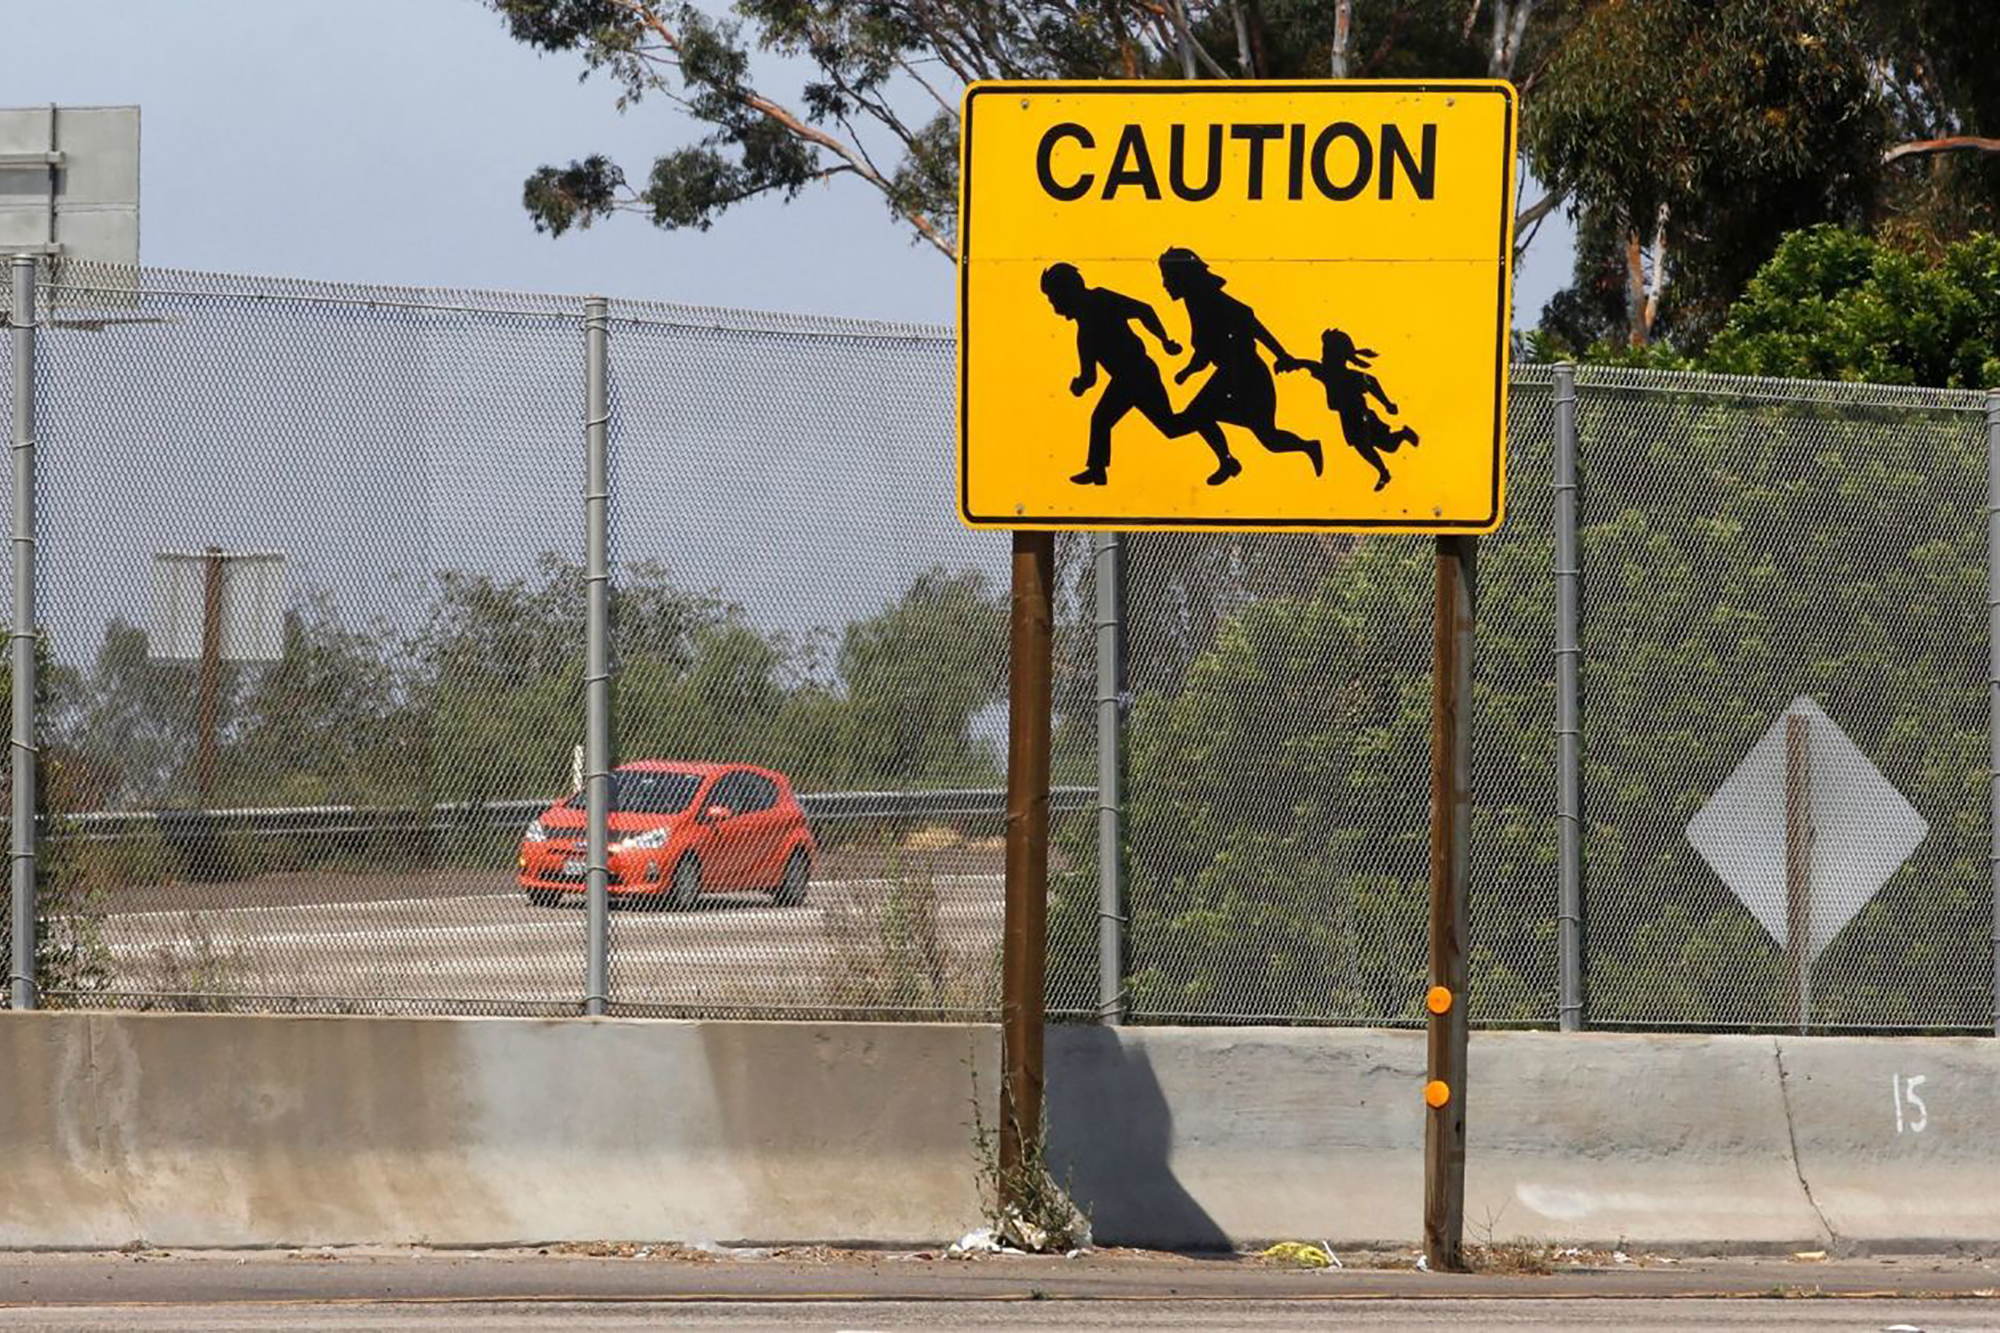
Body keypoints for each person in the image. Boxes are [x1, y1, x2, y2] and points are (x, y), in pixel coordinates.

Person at [1039, 262, 1239, 486]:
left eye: (1053, 297)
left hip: (1139, 374)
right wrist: (1080, 384)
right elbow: (1090, 377)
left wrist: (1165, 340)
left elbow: (1144, 310)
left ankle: (1097, 470)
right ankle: (1097, 470)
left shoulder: (1102, 299)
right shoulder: (1084, 333)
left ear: (1068, 291)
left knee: (1108, 420)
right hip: (1127, 380)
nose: (1053, 304)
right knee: (1169, 426)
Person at [1156, 247, 1322, 482]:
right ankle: (1230, 460)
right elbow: (1205, 349)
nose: (1164, 284)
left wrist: (1282, 354)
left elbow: (1249, 319)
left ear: (1183, 276)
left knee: (1265, 437)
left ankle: (1235, 459)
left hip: (1246, 372)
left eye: (1167, 277)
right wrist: (1188, 371)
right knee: (1261, 434)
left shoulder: (1209, 299)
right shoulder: (1195, 303)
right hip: (1233, 373)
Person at [1279, 328, 1420, 491]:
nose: (1322, 356)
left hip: (1359, 416)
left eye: (1326, 353)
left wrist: (1387, 403)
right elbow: (1307, 364)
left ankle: (1384, 471)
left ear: (1337, 356)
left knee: (1363, 445)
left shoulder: (1347, 376)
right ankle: (1401, 436)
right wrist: (1291, 363)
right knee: (1387, 445)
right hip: (1352, 416)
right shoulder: (1327, 373)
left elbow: (1372, 382)